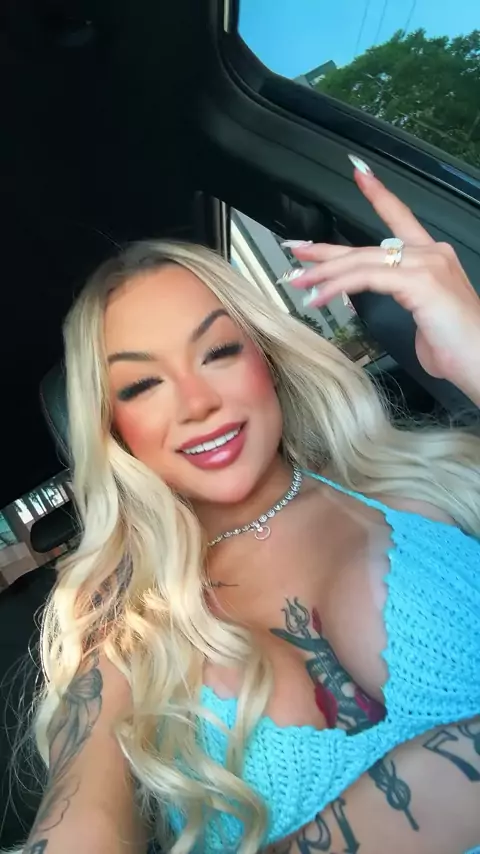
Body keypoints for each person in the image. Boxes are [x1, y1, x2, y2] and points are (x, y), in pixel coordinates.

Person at [12, 156, 480, 854]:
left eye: (218, 352)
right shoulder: (125, 639)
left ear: (266, 356)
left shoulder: (431, 486)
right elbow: (78, 825)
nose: (197, 402)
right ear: (114, 430)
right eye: (142, 386)